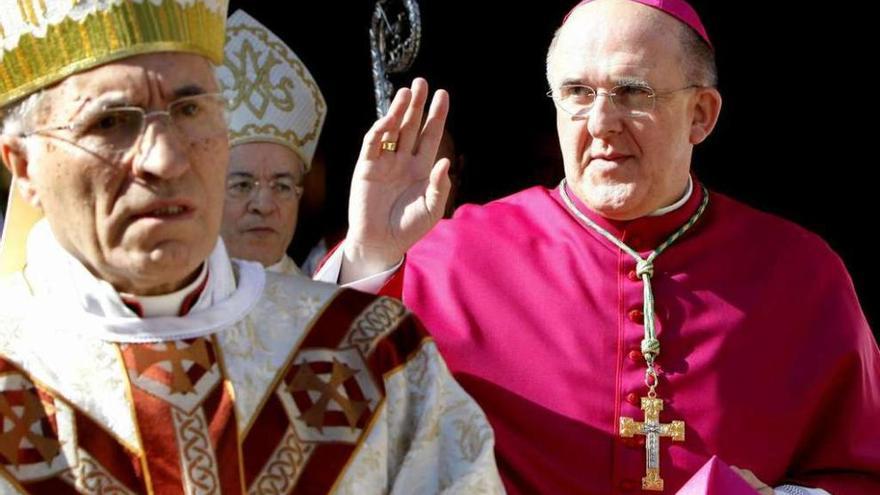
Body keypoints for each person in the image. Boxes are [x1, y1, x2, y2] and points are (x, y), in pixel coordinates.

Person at [317, 0, 880, 493]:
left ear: (701, 115)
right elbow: (313, 432)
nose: (603, 122)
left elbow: (860, 473)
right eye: (578, 94)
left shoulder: (802, 276)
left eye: (633, 92)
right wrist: (369, 254)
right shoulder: (450, 259)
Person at [0, 1, 503, 492]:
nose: (167, 158)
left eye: (190, 109)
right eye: (111, 122)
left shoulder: (375, 354)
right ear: (22, 165)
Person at [218, 10, 324, 276]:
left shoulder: (324, 312)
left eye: (283, 186)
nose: (264, 205)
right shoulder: (163, 304)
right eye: (241, 185)